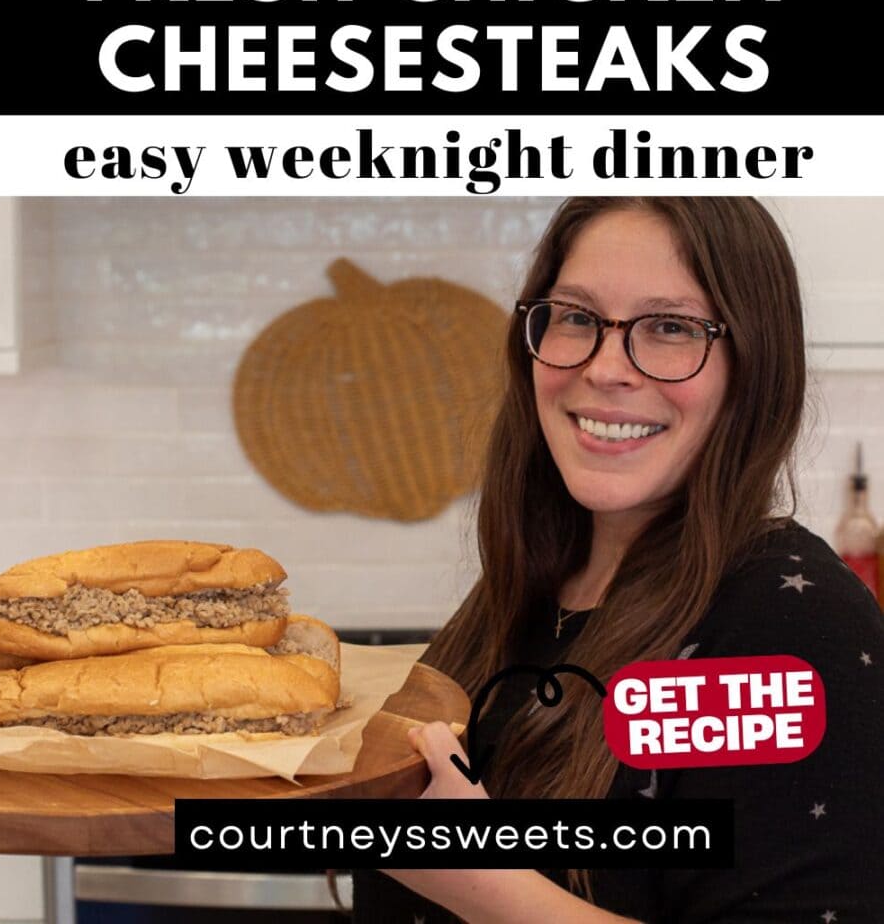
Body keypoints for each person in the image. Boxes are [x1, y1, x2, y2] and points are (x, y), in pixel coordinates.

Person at [352, 197, 884, 923]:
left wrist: (476, 876)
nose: (605, 368)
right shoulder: (537, 588)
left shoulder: (790, 630)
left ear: (753, 364)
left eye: (669, 328)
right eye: (576, 316)